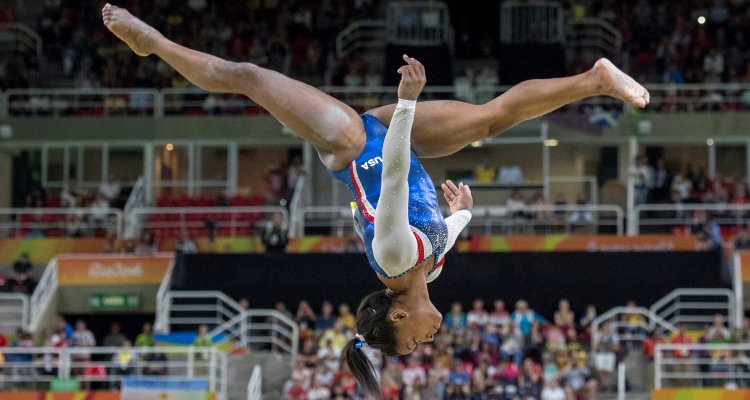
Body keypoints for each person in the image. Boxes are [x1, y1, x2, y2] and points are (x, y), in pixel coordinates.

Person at [102, 4, 649, 395]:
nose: (424, 343)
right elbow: (444, 236)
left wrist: (406, 102)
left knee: (248, 77)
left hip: (354, 144)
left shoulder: (392, 259)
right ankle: (596, 79)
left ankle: (153, 43)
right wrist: (462, 214)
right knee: (490, 118)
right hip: (394, 137)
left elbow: (390, 177)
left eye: (410, 344)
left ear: (398, 313)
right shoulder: (427, 272)